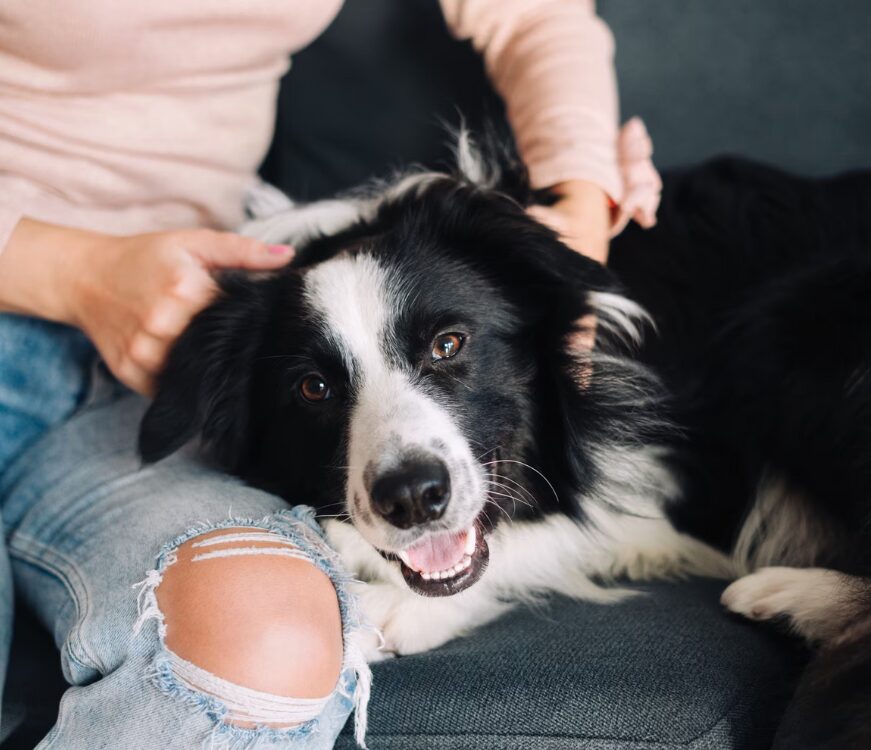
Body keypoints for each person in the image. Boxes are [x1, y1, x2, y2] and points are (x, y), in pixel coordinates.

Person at [0, 1, 661, 746]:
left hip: (144, 370)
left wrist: (578, 204)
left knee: (267, 640)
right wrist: (76, 273)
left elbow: (533, 14)